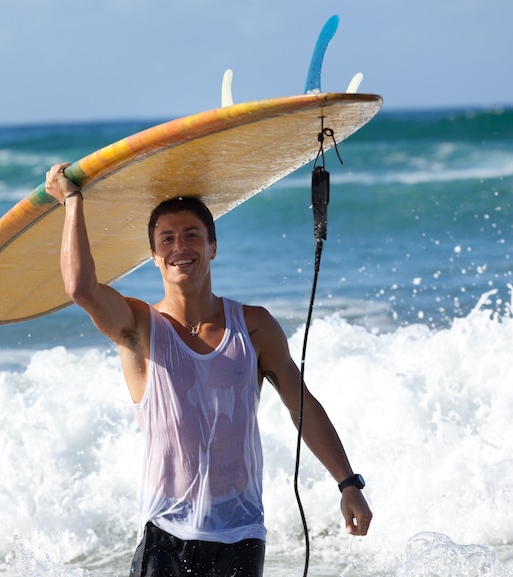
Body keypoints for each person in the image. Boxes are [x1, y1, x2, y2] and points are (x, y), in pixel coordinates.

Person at [45, 162, 373, 577]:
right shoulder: (139, 327)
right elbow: (81, 288)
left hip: (241, 533)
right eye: (167, 239)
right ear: (154, 255)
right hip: (164, 533)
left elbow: (301, 405)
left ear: (213, 246)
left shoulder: (253, 326)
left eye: (191, 235)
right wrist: (72, 202)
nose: (179, 246)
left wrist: (348, 484)